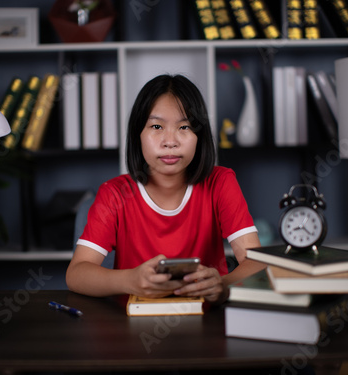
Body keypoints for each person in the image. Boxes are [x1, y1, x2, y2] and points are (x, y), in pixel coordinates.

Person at [66, 74, 264, 305]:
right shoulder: (115, 193)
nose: (170, 141)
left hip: (207, 323)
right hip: (131, 327)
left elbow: (257, 262)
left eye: (184, 127)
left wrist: (223, 285)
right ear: (137, 134)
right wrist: (129, 280)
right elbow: (76, 274)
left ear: (199, 136)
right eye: (157, 126)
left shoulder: (220, 183)